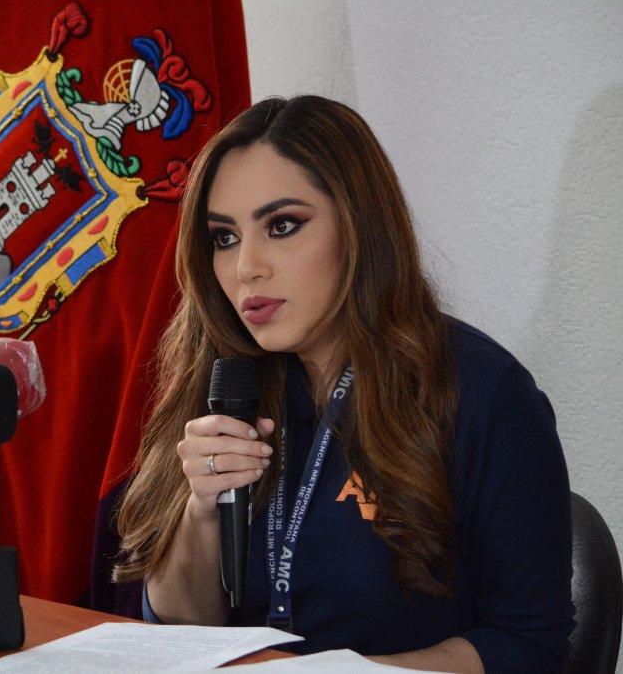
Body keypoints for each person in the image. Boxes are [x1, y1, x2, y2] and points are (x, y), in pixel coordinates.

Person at [113, 95, 573, 673]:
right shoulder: (228, 379)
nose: (245, 267)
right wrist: (203, 510)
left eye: (282, 226)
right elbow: (178, 626)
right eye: (224, 238)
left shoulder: (484, 392)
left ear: (359, 228)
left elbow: (530, 646)